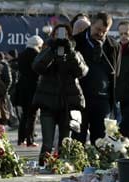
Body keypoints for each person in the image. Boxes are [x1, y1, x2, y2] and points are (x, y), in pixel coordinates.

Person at [33, 24, 88, 165]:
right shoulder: (46, 50)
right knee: (47, 143)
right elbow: (37, 67)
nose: (61, 37)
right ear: (53, 36)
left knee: (65, 142)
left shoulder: (74, 52)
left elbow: (82, 71)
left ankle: (63, 168)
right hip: (48, 103)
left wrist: (69, 51)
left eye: (64, 34)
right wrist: (52, 49)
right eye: (57, 34)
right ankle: (43, 166)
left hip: (67, 103)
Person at [73, 12, 118, 144]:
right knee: (78, 137)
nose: (100, 34)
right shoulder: (76, 42)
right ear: (91, 24)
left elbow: (115, 72)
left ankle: (98, 164)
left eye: (105, 31)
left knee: (100, 139)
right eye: (98, 29)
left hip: (102, 99)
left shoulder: (112, 46)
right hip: (79, 98)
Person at [14, 35, 43, 146]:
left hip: (22, 88)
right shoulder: (36, 55)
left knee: (24, 115)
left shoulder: (21, 55)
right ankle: (30, 140)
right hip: (33, 88)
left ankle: (21, 139)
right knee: (32, 115)